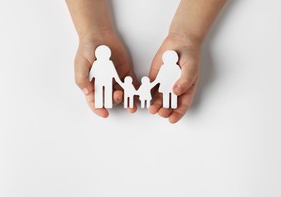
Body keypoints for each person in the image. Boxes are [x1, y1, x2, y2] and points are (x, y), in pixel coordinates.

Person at [66, 0, 227, 123]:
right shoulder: (104, 63)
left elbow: (115, 76)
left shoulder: (106, 63)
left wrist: (187, 35)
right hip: (113, 83)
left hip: (162, 86)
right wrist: (93, 32)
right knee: (105, 93)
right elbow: (114, 76)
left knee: (169, 94)